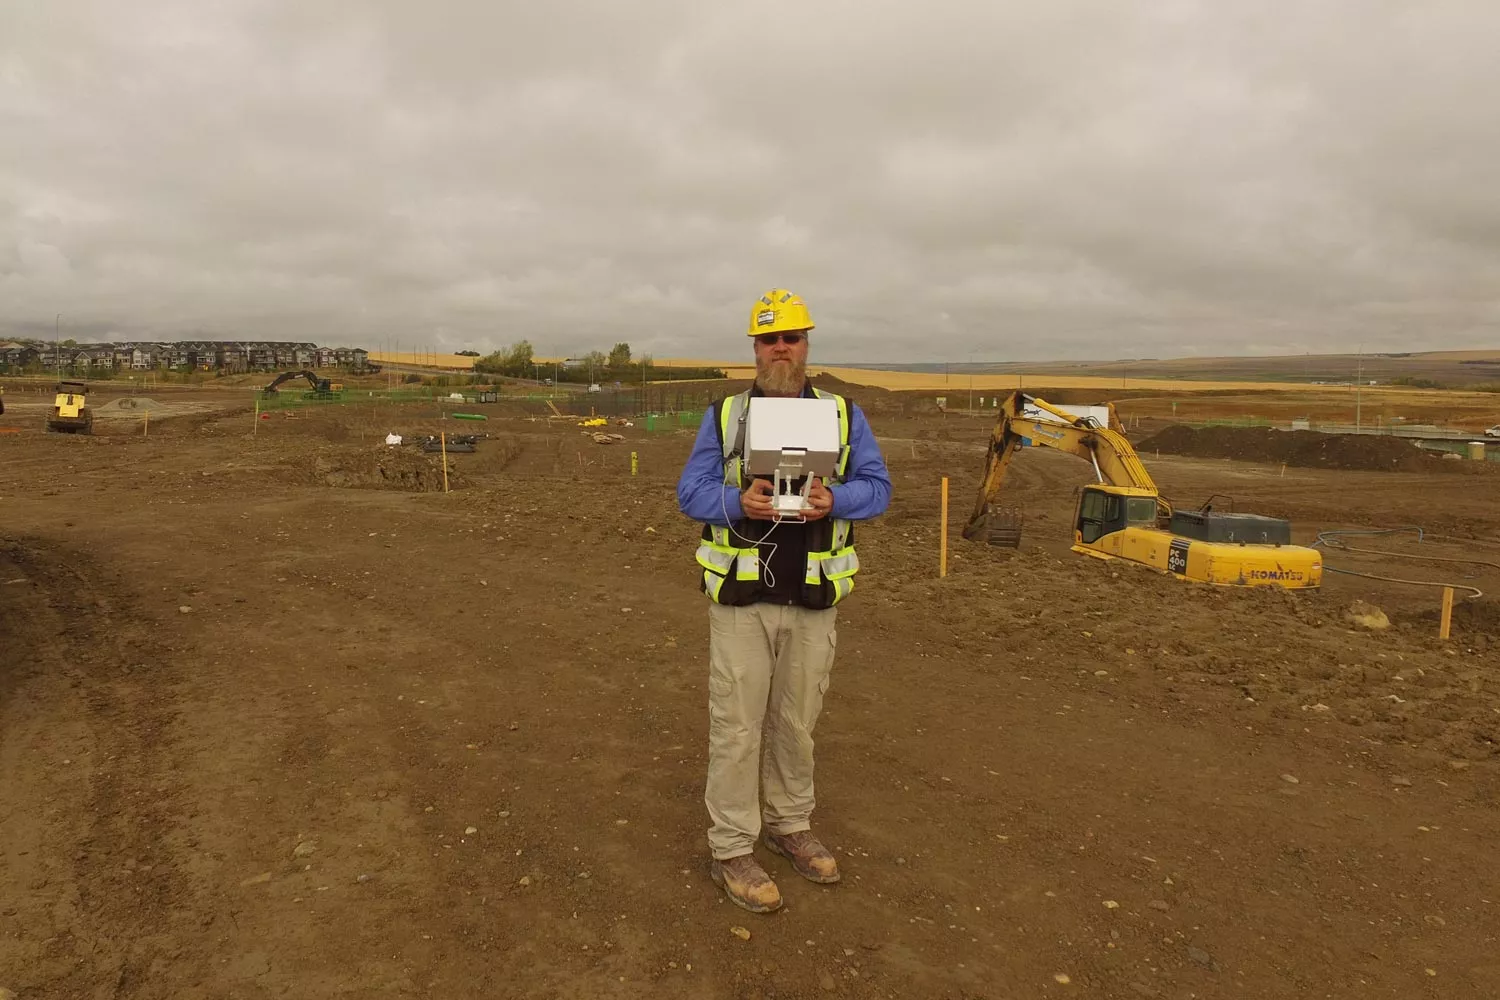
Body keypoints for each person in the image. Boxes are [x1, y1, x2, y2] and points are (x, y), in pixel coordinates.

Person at [676, 288, 892, 913]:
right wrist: (734, 500)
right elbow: (689, 490)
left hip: (812, 599)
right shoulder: (724, 416)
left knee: (797, 724)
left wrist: (839, 500)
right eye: (768, 339)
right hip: (744, 600)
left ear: (806, 346)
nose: (779, 349)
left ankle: (790, 825)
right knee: (737, 728)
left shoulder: (845, 415)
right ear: (754, 348)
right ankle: (732, 848)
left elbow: (878, 489)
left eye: (790, 338)